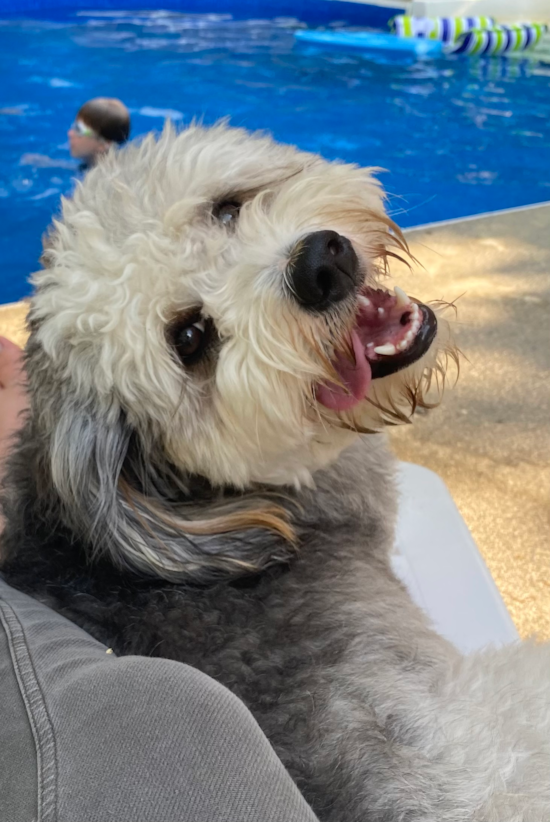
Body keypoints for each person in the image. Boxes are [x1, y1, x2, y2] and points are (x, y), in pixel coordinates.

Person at [68, 97, 131, 170]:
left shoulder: (113, 177)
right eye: (74, 126)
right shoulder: (92, 166)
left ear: (104, 144)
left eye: (79, 129)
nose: (70, 133)